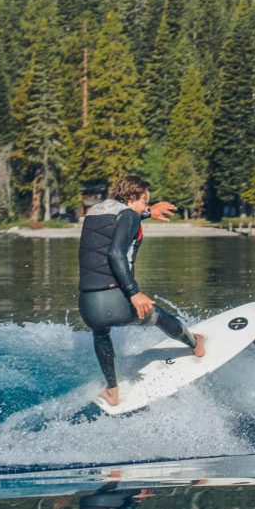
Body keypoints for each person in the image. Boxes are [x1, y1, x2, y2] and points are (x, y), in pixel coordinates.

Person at [78, 174, 205, 407]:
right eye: (145, 202)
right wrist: (134, 292)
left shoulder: (96, 211)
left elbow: (115, 225)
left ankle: (112, 390)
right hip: (114, 300)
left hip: (88, 306)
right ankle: (195, 343)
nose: (146, 206)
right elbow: (116, 253)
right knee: (155, 315)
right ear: (132, 197)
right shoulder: (129, 215)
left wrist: (146, 214)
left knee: (101, 333)